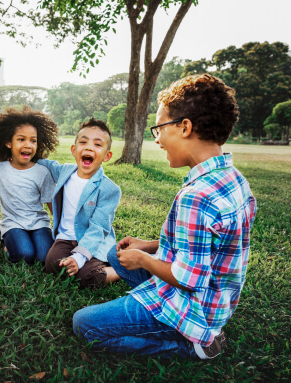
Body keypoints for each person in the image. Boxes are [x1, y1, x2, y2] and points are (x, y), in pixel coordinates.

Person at [73, 74, 257, 359]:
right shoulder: (233, 179)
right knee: (114, 255)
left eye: (159, 128)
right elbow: (209, 245)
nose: (157, 139)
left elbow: (190, 280)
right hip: (216, 301)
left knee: (84, 324)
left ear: (185, 127)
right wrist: (148, 246)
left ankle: (191, 346)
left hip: (192, 308)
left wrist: (143, 260)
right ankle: (153, 303)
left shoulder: (197, 196)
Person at [37, 118, 122, 289]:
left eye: (98, 144)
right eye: (83, 142)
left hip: (93, 241)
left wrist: (78, 257)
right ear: (74, 150)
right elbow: (47, 164)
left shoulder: (109, 189)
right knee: (52, 265)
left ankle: (120, 270)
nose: (89, 147)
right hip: (65, 238)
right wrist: (27, 156)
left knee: (86, 276)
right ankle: (80, 264)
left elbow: (98, 228)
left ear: (107, 156)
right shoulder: (65, 171)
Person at [0, 107, 59, 265]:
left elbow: (50, 201)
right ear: (9, 143)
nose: (28, 145)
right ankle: (7, 242)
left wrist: (61, 227)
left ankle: (14, 239)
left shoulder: (42, 172)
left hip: (39, 223)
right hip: (13, 223)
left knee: (44, 257)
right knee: (24, 255)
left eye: (33, 140)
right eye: (21, 139)